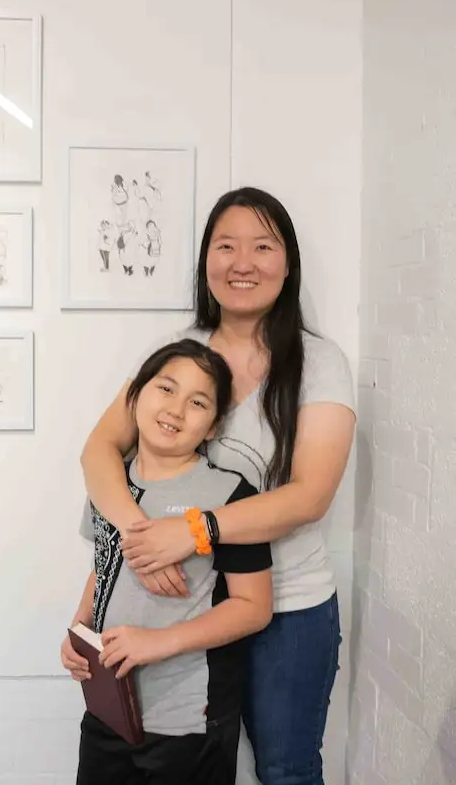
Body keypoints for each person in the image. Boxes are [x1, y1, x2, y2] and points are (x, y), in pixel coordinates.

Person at [78, 187, 356, 785]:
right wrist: (142, 537)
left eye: (262, 246)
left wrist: (194, 530)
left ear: (289, 263)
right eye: (225, 246)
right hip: (189, 604)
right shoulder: (180, 359)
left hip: (288, 607)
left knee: (285, 769)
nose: (243, 262)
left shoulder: (319, 361)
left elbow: (311, 494)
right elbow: (99, 449)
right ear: (206, 261)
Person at [62, 339, 274, 785]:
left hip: (187, 721)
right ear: (135, 398)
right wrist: (79, 632)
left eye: (197, 402)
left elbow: (254, 607)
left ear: (214, 426)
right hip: (109, 711)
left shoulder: (230, 496)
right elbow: (104, 566)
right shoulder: (110, 483)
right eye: (166, 389)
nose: (176, 410)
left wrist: (159, 643)